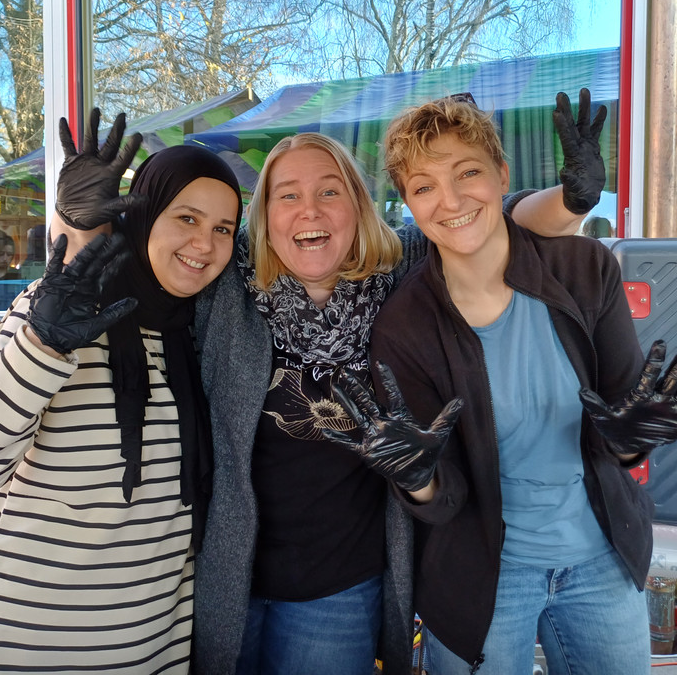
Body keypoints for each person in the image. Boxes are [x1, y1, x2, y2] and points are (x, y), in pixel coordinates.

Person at [186, 93, 610, 675]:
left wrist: (572, 201)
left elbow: (494, 218)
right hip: (228, 577)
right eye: (288, 196)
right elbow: (169, 250)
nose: (309, 211)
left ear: (358, 207)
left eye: (329, 192)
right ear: (265, 217)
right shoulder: (230, 283)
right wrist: (80, 224)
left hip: (339, 586)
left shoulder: (400, 269)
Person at [326, 95, 677, 674]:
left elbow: (621, 425)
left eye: (468, 173)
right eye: (425, 186)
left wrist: (633, 442)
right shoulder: (404, 326)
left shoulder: (584, 270)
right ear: (408, 203)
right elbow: (444, 497)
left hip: (601, 558)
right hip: (482, 574)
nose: (451, 201)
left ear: (502, 176)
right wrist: (417, 480)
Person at [0, 133, 243, 675]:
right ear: (142, 216)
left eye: (223, 229)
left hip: (150, 648)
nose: (205, 243)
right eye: (187, 218)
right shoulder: (62, 309)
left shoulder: (199, 334)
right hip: (19, 645)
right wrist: (42, 345)